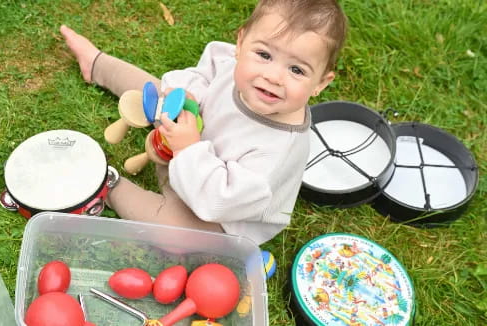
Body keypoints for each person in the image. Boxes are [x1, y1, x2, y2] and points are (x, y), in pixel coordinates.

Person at [60, 0, 347, 245]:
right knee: (159, 92)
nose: (273, 76)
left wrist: (188, 149)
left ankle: (106, 186)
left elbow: (219, 201)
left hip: (215, 208)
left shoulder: (275, 153)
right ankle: (97, 64)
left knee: (183, 237)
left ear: (321, 82)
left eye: (296, 69)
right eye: (264, 54)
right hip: (183, 138)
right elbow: (208, 67)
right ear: (240, 42)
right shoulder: (232, 63)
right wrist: (189, 93)